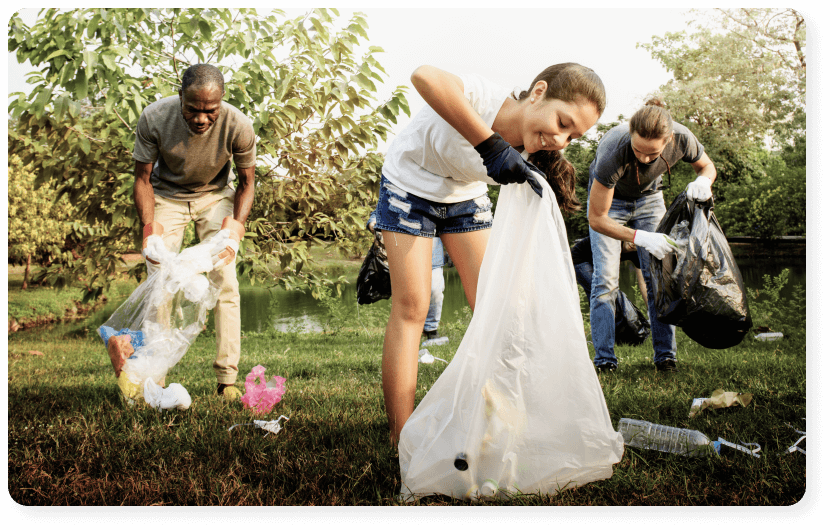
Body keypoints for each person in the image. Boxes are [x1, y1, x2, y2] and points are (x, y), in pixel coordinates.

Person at [375, 63, 606, 444]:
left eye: (573, 136)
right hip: (408, 185)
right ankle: (401, 435)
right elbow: (425, 77)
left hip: (464, 198)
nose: (561, 140)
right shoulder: (483, 95)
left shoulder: (531, 153)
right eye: (562, 122)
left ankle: (499, 416)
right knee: (413, 306)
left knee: (495, 306)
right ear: (538, 92)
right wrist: (491, 144)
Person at [132, 63, 257, 400]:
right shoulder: (154, 118)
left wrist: (233, 232)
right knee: (160, 280)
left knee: (226, 281)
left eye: (210, 110)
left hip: (215, 197)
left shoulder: (239, 125)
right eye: (193, 109)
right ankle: (155, 376)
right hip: (167, 197)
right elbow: (142, 179)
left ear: (222, 103)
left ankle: (226, 380)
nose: (202, 118)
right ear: (180, 98)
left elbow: (247, 183)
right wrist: (150, 232)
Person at [586, 98, 717, 374]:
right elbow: (597, 218)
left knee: (660, 279)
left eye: (652, 154)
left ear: (668, 140)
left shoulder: (682, 138)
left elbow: (707, 166)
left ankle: (665, 358)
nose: (644, 159)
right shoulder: (614, 150)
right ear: (631, 137)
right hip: (612, 202)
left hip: (650, 200)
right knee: (605, 281)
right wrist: (641, 238)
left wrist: (703, 181)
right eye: (638, 151)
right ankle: (605, 361)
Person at [571, 236, 647, 309]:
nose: (633, 244)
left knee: (598, 295)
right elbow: (606, 271)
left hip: (597, 261)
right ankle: (604, 320)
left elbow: (643, 283)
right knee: (600, 292)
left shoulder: (636, 252)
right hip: (580, 258)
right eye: (633, 239)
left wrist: (650, 310)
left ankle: (599, 320)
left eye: (638, 243)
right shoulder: (614, 240)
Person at [421, 238, 451, 347]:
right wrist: (372, 223)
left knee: (436, 290)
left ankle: (431, 329)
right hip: (408, 256)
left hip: (435, 257)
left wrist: (451, 251)